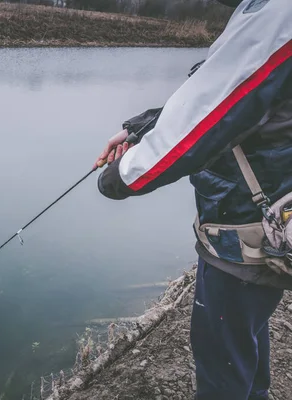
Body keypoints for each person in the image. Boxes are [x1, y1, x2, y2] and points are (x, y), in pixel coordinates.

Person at [94, 1, 292, 399]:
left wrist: (120, 177)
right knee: (244, 339)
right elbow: (234, 95)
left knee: (223, 365)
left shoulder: (280, 13)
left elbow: (208, 117)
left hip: (242, 222)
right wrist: (145, 125)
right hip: (270, 214)